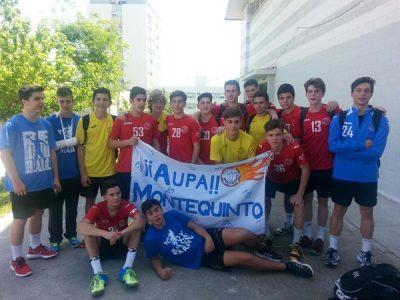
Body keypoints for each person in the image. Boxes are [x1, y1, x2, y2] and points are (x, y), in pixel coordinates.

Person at [141, 199, 314, 280]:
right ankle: (288, 266)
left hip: (205, 238)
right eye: (150, 213)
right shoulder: (150, 238)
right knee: (244, 259)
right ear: (147, 218)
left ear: (161, 209)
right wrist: (159, 271)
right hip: (201, 258)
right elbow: (154, 258)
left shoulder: (171, 215)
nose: (155, 215)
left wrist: (207, 237)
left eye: (156, 210)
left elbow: (194, 227)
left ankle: (259, 246)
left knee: (243, 234)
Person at [325, 77, 389, 268]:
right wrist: (362, 145)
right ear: (351, 93)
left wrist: (348, 151)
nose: (362, 94)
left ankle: (366, 252)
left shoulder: (380, 119)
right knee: (338, 211)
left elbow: (376, 152)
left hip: (367, 176)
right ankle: (333, 249)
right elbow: (333, 146)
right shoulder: (340, 118)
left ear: (371, 94)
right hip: (342, 175)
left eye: (366, 91)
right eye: (358, 90)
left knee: (367, 213)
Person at [0, 85, 60, 277]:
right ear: (24, 101)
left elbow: (52, 152)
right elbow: (5, 153)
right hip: (22, 185)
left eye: (42, 98)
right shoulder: (12, 124)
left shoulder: (46, 125)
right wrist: (16, 181)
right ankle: (16, 259)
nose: (41, 101)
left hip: (43, 181)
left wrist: (55, 177)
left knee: (38, 213)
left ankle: (35, 247)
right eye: (36, 98)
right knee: (19, 219)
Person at [77, 180, 145, 296]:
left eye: (118, 193)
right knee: (88, 233)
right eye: (112, 195)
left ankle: (127, 269)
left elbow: (141, 220)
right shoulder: (97, 208)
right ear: (104, 197)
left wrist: (122, 232)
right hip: (102, 246)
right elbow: (81, 227)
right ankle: (98, 274)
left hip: (121, 242)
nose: (116, 197)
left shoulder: (125, 205)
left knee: (136, 228)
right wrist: (105, 234)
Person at [257, 119, 310, 261]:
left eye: (278, 134)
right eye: (271, 135)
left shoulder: (293, 146)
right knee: (263, 200)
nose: (275, 138)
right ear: (266, 136)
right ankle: (266, 234)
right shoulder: (262, 145)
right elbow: (257, 168)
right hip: (272, 178)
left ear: (284, 134)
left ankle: (296, 243)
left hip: (291, 179)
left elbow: (305, 170)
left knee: (299, 204)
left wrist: (299, 194)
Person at [300, 78, 341, 256]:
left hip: (326, 167)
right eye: (310, 91)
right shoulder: (302, 114)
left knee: (323, 202)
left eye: (317, 91)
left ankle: (320, 236)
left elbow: (355, 114)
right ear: (306, 94)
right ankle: (307, 234)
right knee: (307, 200)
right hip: (308, 167)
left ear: (322, 93)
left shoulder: (332, 111)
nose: (313, 94)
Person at [109, 86, 159, 201]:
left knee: (145, 201)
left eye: (144, 100)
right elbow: (111, 144)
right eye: (138, 100)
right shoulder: (121, 119)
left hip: (145, 169)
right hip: (125, 169)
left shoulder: (151, 120)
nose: (142, 103)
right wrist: (128, 142)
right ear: (131, 100)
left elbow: (156, 143)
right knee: (125, 203)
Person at [46, 87, 81, 251]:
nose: (65, 104)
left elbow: (82, 145)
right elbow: (49, 147)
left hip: (74, 173)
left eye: (68, 101)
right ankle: (54, 239)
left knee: (72, 208)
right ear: (57, 101)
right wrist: (69, 142)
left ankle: (72, 235)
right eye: (62, 101)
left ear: (73, 101)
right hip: (56, 174)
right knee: (55, 210)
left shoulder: (79, 120)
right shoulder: (50, 121)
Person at [76, 87, 116, 213]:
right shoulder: (84, 121)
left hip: (110, 171)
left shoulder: (115, 121)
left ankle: (109, 229)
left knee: (112, 202)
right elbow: (80, 148)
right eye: (98, 99)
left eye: (105, 100)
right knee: (90, 203)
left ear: (109, 103)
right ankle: (90, 230)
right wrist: (83, 173)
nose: (101, 102)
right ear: (93, 101)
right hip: (90, 171)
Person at [166, 90, 201, 163]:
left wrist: (192, 165)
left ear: (184, 103)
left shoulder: (191, 122)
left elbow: (196, 147)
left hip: (187, 163)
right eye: (174, 101)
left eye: (180, 101)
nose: (176, 104)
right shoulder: (167, 119)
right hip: (172, 162)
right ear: (170, 104)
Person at [197, 92, 218, 164]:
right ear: (198, 106)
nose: (205, 105)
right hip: (199, 163)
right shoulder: (194, 122)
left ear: (212, 105)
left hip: (216, 164)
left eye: (208, 102)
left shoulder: (218, 119)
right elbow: (190, 146)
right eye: (202, 103)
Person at [147, 89, 168, 155]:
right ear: (150, 103)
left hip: (162, 156)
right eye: (155, 102)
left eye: (161, 102)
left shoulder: (168, 118)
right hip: (146, 155)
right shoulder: (144, 117)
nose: (159, 105)